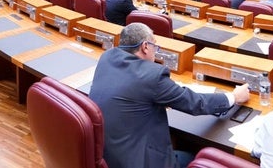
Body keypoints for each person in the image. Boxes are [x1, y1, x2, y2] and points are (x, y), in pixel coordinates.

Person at [89, 22, 250, 168]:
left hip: (107, 155)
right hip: (139, 161)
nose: (155, 52)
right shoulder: (152, 75)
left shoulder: (107, 57)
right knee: (192, 157)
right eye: (155, 46)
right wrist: (234, 97)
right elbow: (195, 103)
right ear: (145, 46)